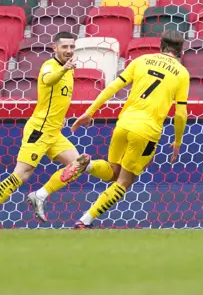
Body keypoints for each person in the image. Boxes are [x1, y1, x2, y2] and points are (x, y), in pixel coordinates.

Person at [0, 32, 115, 228]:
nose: (68, 50)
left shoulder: (70, 69)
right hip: (39, 130)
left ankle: (40, 195)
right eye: (64, 47)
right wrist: (63, 69)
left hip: (54, 133)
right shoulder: (50, 66)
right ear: (54, 48)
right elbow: (48, 79)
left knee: (78, 165)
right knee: (22, 174)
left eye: (71, 47)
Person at [70, 30, 190, 229]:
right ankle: (84, 221)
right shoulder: (182, 73)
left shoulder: (141, 60)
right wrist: (178, 141)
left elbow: (112, 87)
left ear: (161, 45)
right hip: (146, 131)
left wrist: (90, 111)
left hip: (123, 124)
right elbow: (180, 114)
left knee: (112, 172)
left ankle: (88, 166)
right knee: (124, 181)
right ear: (180, 51)